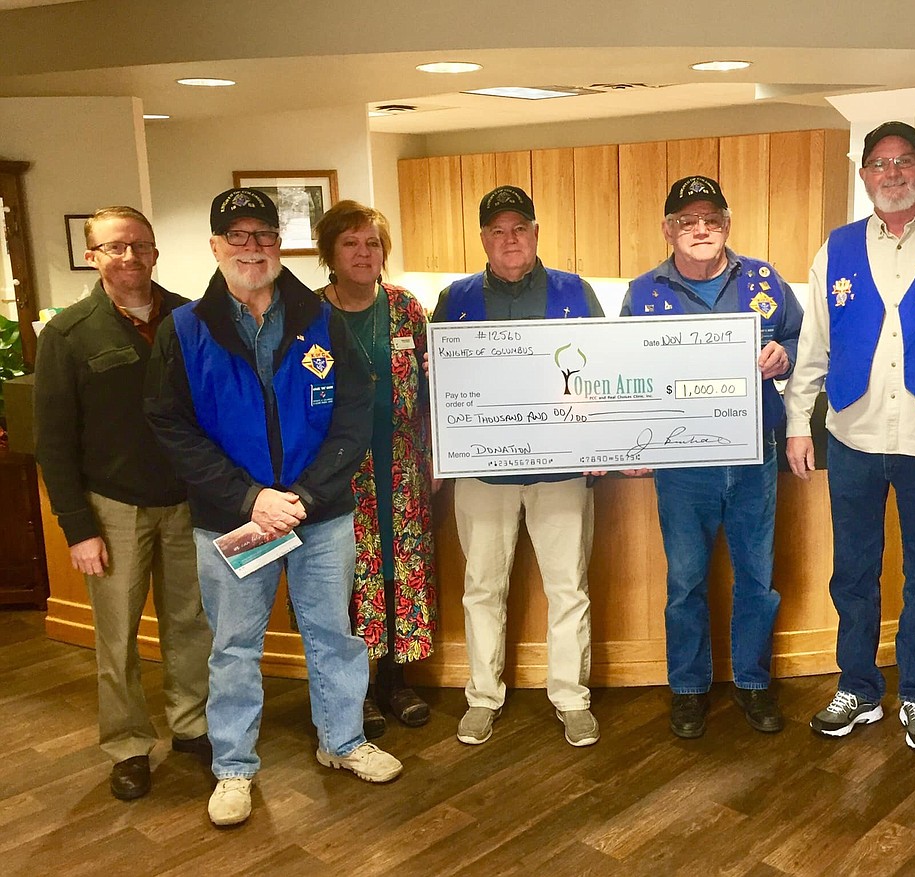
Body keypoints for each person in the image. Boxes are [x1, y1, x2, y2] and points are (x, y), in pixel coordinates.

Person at [144, 188, 400, 828]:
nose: (251, 248)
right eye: (237, 236)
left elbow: (353, 409)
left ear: (279, 245)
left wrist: (307, 496)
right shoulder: (184, 330)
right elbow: (170, 426)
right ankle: (232, 765)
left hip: (320, 513)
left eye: (262, 235)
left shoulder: (321, 317)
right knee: (233, 645)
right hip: (234, 520)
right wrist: (249, 497)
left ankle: (342, 740)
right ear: (214, 247)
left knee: (333, 636)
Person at [785, 121, 915, 752]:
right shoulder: (837, 248)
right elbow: (813, 346)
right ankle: (859, 685)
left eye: (904, 161)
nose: (893, 172)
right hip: (853, 436)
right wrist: (800, 423)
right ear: (864, 174)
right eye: (880, 163)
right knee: (853, 572)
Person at [35, 206, 212, 802]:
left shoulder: (191, 318)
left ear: (156, 251)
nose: (129, 257)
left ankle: (193, 725)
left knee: (191, 625)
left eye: (139, 245)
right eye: (114, 248)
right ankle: (129, 745)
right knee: (116, 636)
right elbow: (54, 443)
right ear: (94, 256)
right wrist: (78, 528)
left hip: (187, 501)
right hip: (112, 508)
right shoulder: (68, 333)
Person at [620, 175, 802, 739]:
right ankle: (689, 689)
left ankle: (752, 682)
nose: (700, 230)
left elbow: (802, 339)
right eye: (687, 221)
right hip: (682, 465)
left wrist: (784, 354)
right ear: (668, 230)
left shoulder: (765, 279)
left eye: (711, 219)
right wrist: (633, 441)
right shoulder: (644, 290)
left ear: (727, 223)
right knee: (687, 582)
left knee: (756, 579)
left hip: (755, 458)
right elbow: (624, 372)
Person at [430, 185, 605, 747]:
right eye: (497, 230)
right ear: (483, 238)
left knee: (568, 589)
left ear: (535, 232)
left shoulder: (575, 292)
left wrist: (603, 442)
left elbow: (602, 373)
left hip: (562, 470)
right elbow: (441, 391)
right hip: (482, 474)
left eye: (519, 228)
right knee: (481, 587)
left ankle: (571, 698)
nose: (509, 239)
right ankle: (482, 696)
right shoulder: (454, 299)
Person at [314, 200, 436, 739]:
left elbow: (435, 388)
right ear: (330, 254)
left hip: (402, 464)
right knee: (347, 579)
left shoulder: (406, 308)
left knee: (397, 571)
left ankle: (394, 680)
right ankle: (354, 688)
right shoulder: (311, 314)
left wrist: (438, 452)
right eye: (351, 243)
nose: (364, 253)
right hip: (337, 474)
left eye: (373, 243)